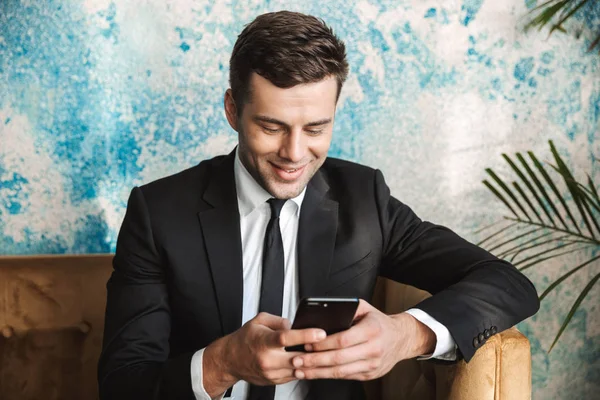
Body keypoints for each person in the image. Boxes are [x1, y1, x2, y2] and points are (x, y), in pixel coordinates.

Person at [98, 10, 540, 400]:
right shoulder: (158, 213)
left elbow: (507, 283)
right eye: (271, 127)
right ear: (233, 110)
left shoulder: (364, 198)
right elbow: (123, 384)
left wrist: (405, 335)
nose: (294, 153)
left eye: (315, 128)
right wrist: (221, 363)